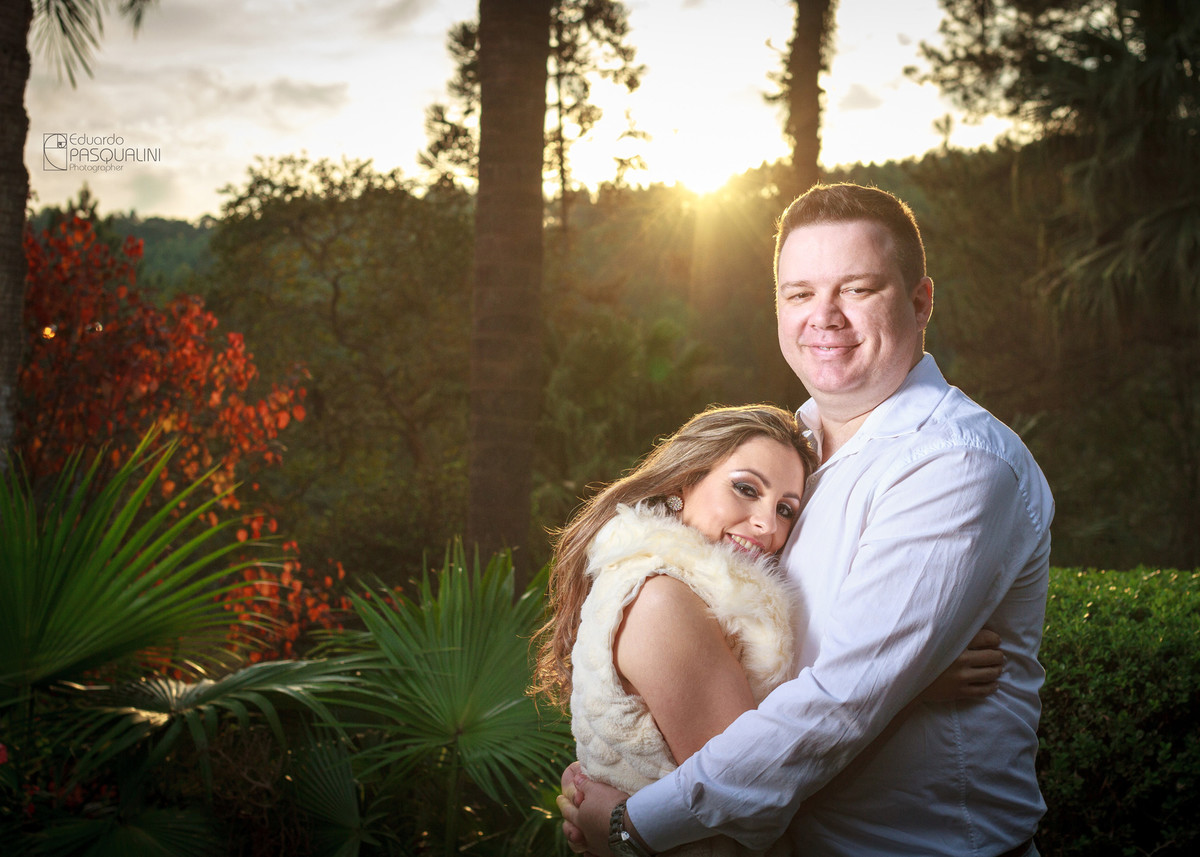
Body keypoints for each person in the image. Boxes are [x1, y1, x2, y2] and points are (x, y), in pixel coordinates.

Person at [560, 183, 1054, 857]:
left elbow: (842, 702)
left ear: (920, 301)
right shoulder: (785, 453)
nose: (825, 317)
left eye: (857, 288)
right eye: (799, 293)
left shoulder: (955, 463)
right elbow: (751, 651)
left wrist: (636, 823)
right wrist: (910, 682)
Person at [536, 405, 1007, 856]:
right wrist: (907, 683)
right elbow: (754, 796)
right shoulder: (663, 601)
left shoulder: (665, 583)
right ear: (684, 480)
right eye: (745, 489)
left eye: (786, 509)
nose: (766, 524)